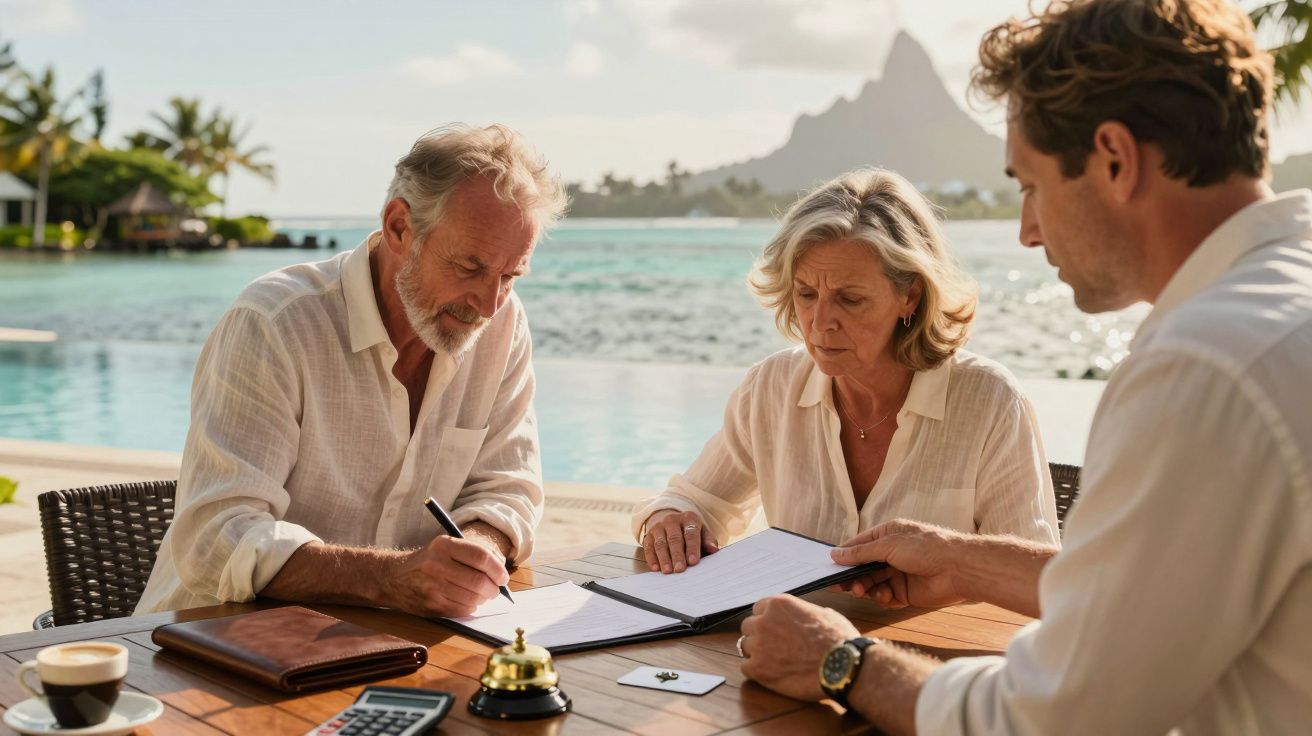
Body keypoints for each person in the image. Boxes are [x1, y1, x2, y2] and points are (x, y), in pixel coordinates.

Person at [738, 1, 1312, 733]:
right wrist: (964, 560)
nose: (1028, 230)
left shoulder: (1205, 369)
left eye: (1031, 185)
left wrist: (841, 661)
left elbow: (1062, 716)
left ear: (1115, 158)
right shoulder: (1283, 304)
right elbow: (1148, 599)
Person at [137, 124, 568, 617]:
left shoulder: (504, 324)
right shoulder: (274, 323)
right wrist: (392, 579)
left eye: (511, 276)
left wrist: (477, 551)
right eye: (469, 267)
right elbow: (217, 538)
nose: (489, 304)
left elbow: (508, 488)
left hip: (396, 639)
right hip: (209, 639)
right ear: (400, 227)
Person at [633, 168, 1059, 574]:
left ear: (909, 295)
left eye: (849, 299)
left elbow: (1035, 579)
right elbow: (695, 502)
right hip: (794, 642)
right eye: (805, 293)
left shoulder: (990, 402)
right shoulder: (771, 388)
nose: (820, 322)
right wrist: (669, 521)